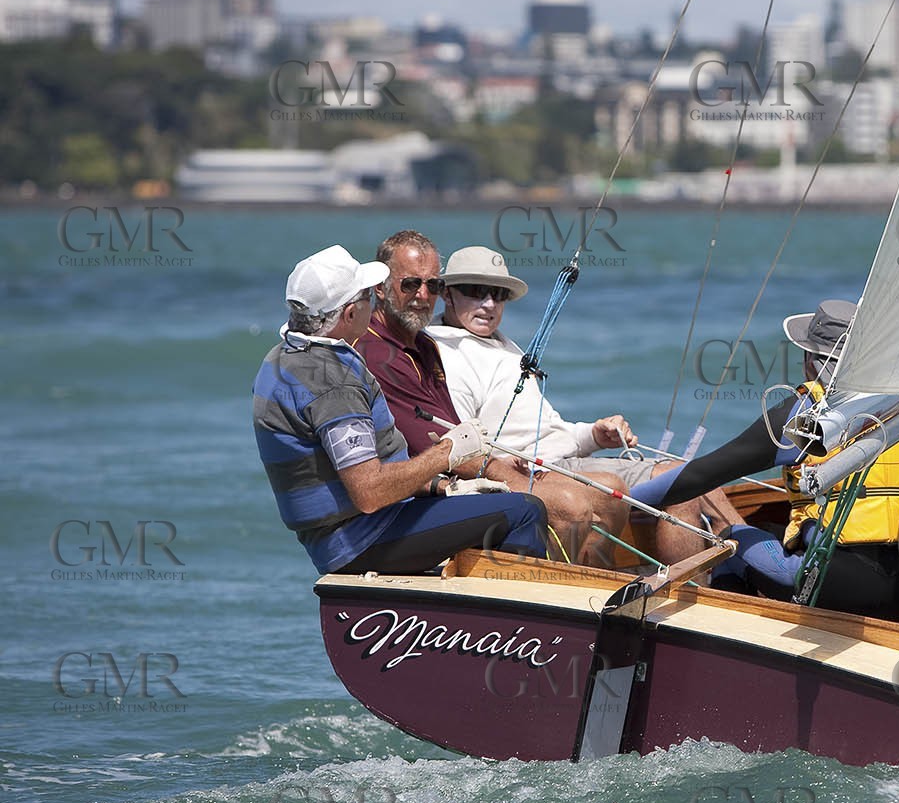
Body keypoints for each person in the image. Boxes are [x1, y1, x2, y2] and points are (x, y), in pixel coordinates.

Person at [430, 245, 742, 565]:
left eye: (498, 294)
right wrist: (502, 463)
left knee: (685, 478)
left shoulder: (500, 343)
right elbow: (459, 442)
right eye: (475, 292)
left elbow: (545, 426)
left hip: (559, 461)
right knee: (610, 488)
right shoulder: (445, 352)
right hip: (531, 474)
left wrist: (593, 435)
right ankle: (596, 596)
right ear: (446, 294)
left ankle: (718, 573)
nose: (489, 303)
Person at [629, 300, 899, 622]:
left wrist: (623, 500)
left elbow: (702, 474)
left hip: (837, 591)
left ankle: (722, 633)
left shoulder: (809, 417)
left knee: (733, 539)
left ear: (811, 360)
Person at [252, 245, 548, 576]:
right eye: (367, 297)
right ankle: (509, 620)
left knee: (486, 507)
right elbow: (369, 492)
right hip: (360, 539)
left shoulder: (282, 358)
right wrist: (449, 452)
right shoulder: (334, 383)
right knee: (524, 510)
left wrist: (442, 487)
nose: (373, 305)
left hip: (338, 536)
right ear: (350, 314)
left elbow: (353, 473)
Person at [354, 230, 625, 564]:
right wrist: (504, 473)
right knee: (570, 505)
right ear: (380, 288)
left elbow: (455, 430)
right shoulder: (377, 352)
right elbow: (434, 441)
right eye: (410, 284)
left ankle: (587, 599)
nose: (423, 296)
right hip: (411, 499)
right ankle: (551, 598)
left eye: (432, 286)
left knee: (609, 492)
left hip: (463, 470)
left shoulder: (424, 346)